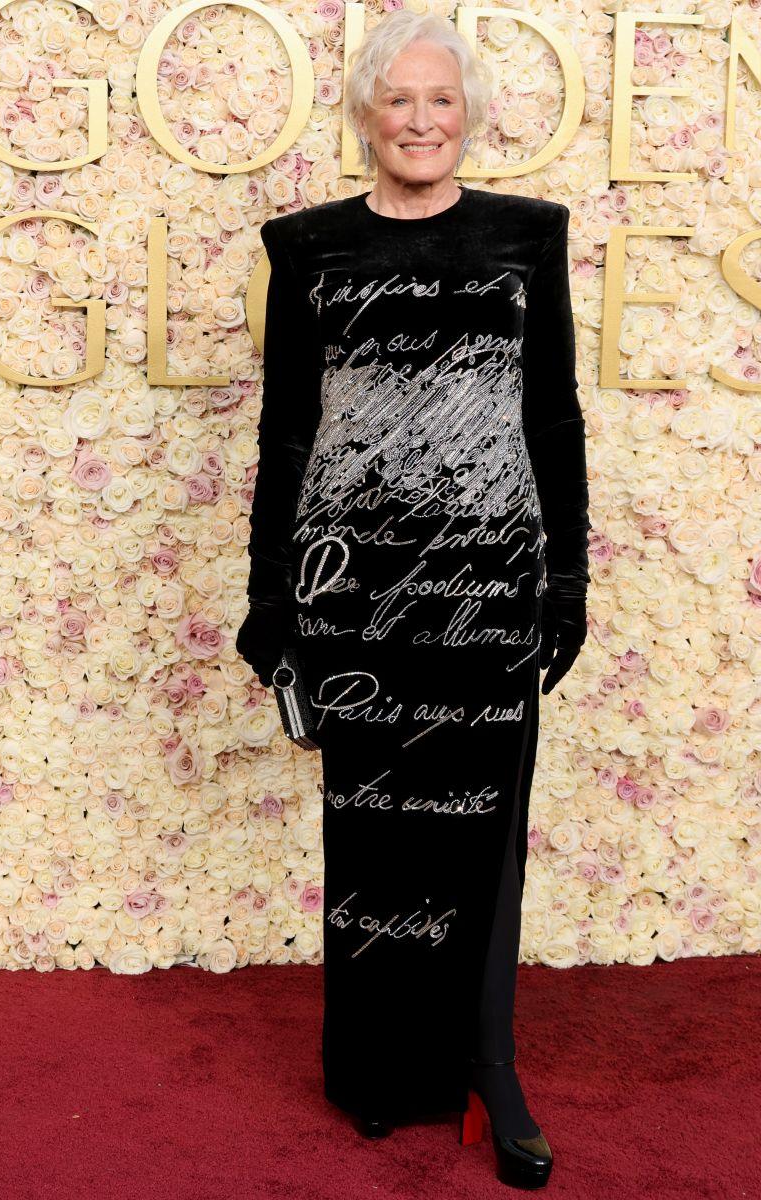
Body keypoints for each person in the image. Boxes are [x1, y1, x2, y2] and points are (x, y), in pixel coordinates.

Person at [236, 9, 589, 1189]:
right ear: (366, 116)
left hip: (486, 583)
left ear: (468, 115)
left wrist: (566, 577)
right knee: (375, 825)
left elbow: (553, 419)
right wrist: (273, 602)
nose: (422, 120)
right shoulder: (307, 247)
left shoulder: (526, 239)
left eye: (442, 100)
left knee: (481, 837)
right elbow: (285, 433)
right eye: (401, 100)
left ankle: (488, 1066)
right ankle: (380, 1071)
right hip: (357, 588)